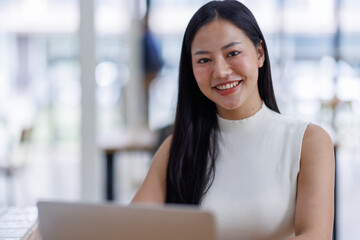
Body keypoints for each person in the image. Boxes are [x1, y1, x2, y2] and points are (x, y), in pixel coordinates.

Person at [132, 1, 335, 239]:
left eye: (233, 53)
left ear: (260, 54)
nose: (220, 71)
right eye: (204, 60)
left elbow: (315, 235)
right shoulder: (177, 148)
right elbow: (131, 228)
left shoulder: (307, 142)